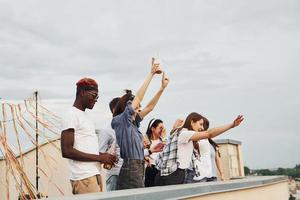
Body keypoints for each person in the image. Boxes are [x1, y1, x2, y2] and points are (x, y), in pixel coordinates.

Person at [111, 58, 169, 189]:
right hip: (131, 168)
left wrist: (162, 88)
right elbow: (138, 99)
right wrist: (151, 74)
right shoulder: (120, 121)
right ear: (127, 107)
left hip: (138, 166)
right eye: (136, 107)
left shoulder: (133, 123)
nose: (139, 110)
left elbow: (150, 107)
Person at [60, 78, 117, 194]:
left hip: (93, 174)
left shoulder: (85, 117)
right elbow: (66, 151)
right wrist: (99, 158)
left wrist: (104, 156)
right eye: (94, 95)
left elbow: (86, 148)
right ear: (82, 93)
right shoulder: (71, 114)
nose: (96, 100)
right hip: (83, 177)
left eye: (97, 97)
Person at [155, 113, 243, 186]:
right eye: (200, 124)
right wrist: (231, 125)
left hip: (177, 174)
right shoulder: (184, 133)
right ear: (192, 122)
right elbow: (209, 134)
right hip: (171, 176)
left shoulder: (184, 135)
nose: (202, 128)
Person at [185, 116, 225, 183]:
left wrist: (222, 174)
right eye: (201, 124)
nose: (203, 127)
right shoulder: (196, 140)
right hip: (201, 177)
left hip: (212, 176)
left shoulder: (211, 144)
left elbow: (217, 159)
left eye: (204, 125)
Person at [97, 97, 122, 191]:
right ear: (115, 110)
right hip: (114, 175)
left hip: (127, 175)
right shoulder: (106, 130)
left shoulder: (126, 128)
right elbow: (100, 153)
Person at [144, 118, 165, 187]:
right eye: (160, 128)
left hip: (160, 170)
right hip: (149, 169)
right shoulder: (146, 140)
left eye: (163, 128)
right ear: (153, 129)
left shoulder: (163, 141)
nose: (162, 130)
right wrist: (145, 157)